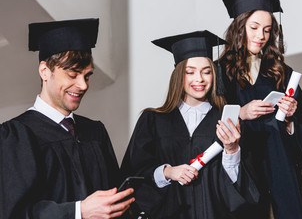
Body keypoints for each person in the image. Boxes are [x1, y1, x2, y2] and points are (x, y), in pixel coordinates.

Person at [0, 18, 134, 219]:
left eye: (87, 76)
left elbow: (116, 200)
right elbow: (14, 213)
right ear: (45, 71)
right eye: (73, 74)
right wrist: (79, 211)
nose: (83, 85)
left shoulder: (95, 132)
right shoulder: (17, 135)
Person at [120, 30, 259, 219]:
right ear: (178, 75)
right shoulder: (153, 120)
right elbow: (132, 175)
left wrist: (232, 150)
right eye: (190, 72)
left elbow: (243, 188)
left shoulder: (227, 121)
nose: (199, 79)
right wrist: (168, 172)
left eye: (206, 71)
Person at [217, 0, 302, 219]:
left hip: (279, 168)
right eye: (254, 27)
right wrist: (240, 112)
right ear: (239, 27)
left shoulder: (281, 71)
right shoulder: (220, 72)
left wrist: (290, 118)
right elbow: (208, 120)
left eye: (267, 30)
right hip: (243, 169)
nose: (261, 36)